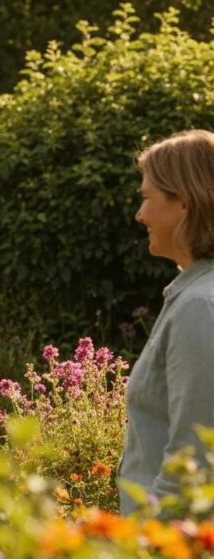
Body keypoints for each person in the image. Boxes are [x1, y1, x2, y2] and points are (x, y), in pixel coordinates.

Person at [119, 130, 214, 516]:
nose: (140, 215)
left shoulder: (200, 306)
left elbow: (194, 462)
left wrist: (143, 539)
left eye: (146, 198)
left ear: (185, 203)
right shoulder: (193, 293)